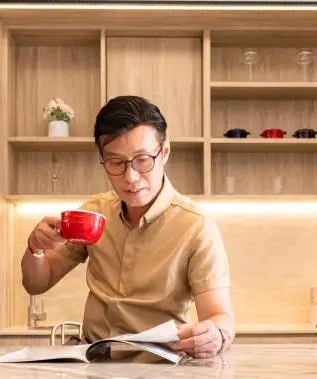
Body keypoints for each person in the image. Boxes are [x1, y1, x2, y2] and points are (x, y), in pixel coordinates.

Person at [21, 96, 235, 359]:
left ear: (164, 152)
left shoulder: (196, 227)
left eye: (143, 159)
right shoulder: (94, 213)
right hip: (93, 365)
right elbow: (36, 283)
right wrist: (36, 248)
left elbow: (219, 316)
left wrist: (216, 335)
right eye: (116, 162)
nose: (130, 177)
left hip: (159, 369)